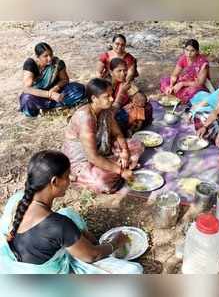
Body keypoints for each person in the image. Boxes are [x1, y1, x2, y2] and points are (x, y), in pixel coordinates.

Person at [0, 150, 143, 274]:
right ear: (54, 181)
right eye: (67, 176)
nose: (70, 180)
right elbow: (92, 256)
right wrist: (115, 242)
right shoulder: (58, 225)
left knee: (68, 212)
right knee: (134, 271)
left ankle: (81, 243)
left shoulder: (19, 199)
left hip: (23, 263)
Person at [63, 78, 144, 193]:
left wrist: (125, 151)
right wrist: (121, 171)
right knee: (102, 182)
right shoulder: (85, 118)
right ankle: (118, 168)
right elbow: (92, 157)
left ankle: (118, 165)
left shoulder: (106, 110)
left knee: (137, 144)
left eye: (112, 95)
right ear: (94, 98)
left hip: (102, 150)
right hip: (82, 161)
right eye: (107, 96)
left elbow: (117, 133)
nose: (111, 99)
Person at [19, 42, 86, 117]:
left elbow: (65, 80)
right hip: (39, 96)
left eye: (51, 54)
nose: (50, 58)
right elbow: (26, 89)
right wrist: (49, 94)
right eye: (45, 56)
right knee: (27, 99)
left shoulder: (57, 63)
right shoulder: (31, 64)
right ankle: (46, 109)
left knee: (78, 88)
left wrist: (55, 88)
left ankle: (55, 108)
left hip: (57, 94)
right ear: (38, 57)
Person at [109, 58, 153, 135]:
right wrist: (121, 92)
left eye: (125, 70)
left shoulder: (125, 84)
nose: (123, 74)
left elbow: (140, 98)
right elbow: (111, 110)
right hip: (111, 112)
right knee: (116, 119)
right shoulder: (106, 85)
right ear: (111, 72)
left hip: (123, 109)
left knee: (147, 107)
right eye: (119, 71)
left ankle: (133, 127)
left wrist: (136, 102)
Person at [160, 39, 210, 104]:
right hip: (186, 79)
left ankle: (178, 96)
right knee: (166, 81)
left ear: (197, 51)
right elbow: (174, 75)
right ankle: (171, 92)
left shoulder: (203, 63)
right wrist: (171, 85)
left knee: (191, 92)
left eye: (192, 51)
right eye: (187, 50)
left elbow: (200, 83)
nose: (189, 53)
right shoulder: (184, 58)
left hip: (195, 84)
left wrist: (182, 84)